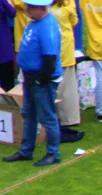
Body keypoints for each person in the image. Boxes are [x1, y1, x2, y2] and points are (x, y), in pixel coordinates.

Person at [2, 0, 61, 166]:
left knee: (47, 117)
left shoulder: (47, 26)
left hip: (41, 81)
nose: (27, 9)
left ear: (42, 8)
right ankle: (26, 150)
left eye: (31, 6)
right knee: (28, 114)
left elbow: (50, 60)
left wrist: (38, 79)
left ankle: (53, 153)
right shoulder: (35, 22)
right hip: (30, 78)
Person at [49, 0, 81, 143]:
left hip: (51, 51)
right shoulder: (68, 4)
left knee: (55, 88)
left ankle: (56, 120)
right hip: (64, 49)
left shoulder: (43, 6)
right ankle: (68, 120)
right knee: (66, 88)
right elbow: (74, 21)